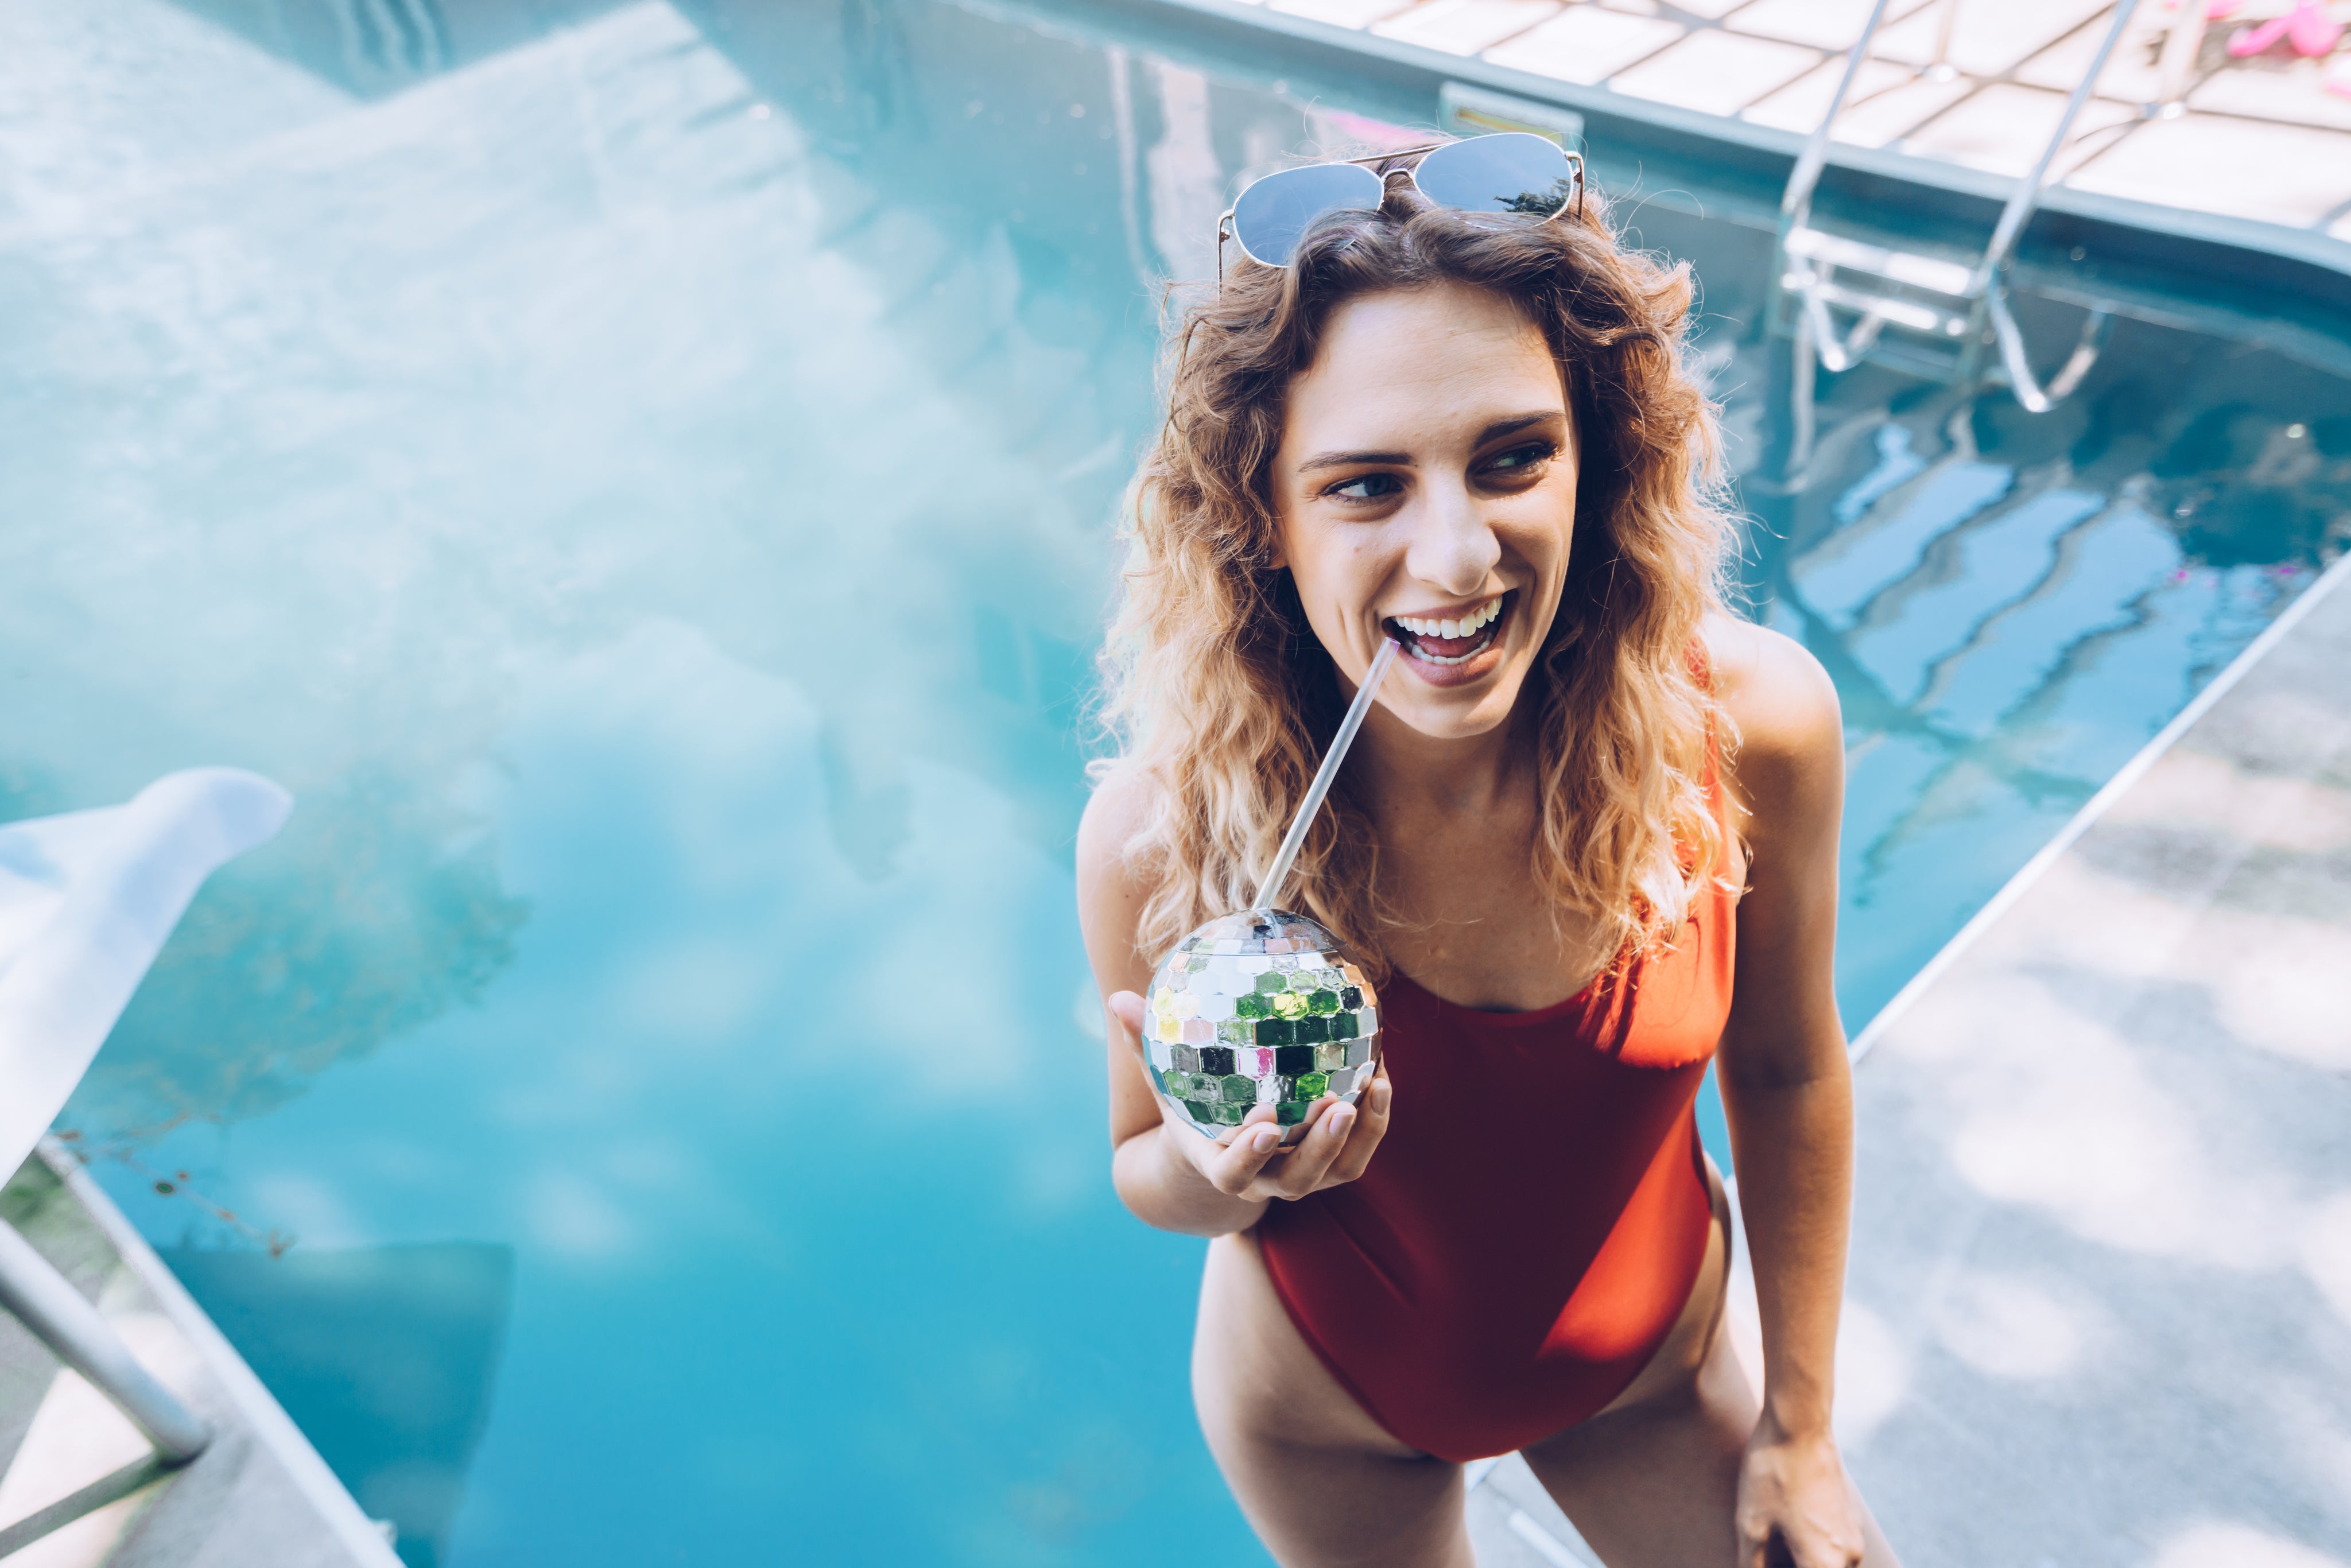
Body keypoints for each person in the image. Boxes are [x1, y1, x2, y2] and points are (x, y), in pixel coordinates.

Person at [1076, 137, 1899, 1568]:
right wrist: (1233, 1173)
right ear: (1259, 513)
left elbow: (1786, 1071)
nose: (1455, 560)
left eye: (1513, 457)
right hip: (1321, 1413)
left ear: (1599, 456)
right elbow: (1145, 1167)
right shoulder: (1172, 832)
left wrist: (1801, 1429)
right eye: (1364, 486)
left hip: (1649, 1373)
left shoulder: (1752, 725)